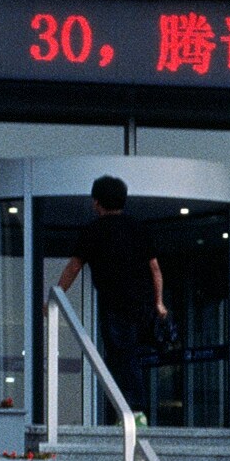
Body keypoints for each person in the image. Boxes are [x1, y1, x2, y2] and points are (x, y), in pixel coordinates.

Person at [54, 176, 165, 415]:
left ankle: (133, 411)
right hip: (142, 303)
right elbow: (154, 268)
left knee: (121, 356)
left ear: (97, 202)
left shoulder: (93, 231)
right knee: (129, 355)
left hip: (115, 304)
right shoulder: (137, 227)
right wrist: (158, 302)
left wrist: (56, 296)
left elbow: (74, 267)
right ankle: (128, 409)